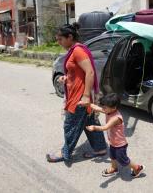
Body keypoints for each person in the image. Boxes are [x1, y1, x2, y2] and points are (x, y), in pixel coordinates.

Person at [46, 23, 107, 163]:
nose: (59, 42)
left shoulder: (78, 51)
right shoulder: (73, 50)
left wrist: (86, 96)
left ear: (70, 37)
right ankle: (100, 148)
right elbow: (77, 72)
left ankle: (65, 152)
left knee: (70, 125)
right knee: (88, 121)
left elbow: (90, 72)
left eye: (60, 39)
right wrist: (66, 77)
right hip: (76, 93)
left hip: (80, 96)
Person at [81, 93, 145, 178]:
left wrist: (94, 127)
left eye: (105, 107)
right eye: (103, 107)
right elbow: (97, 107)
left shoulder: (116, 118)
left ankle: (137, 168)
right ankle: (113, 168)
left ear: (113, 108)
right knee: (112, 156)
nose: (103, 109)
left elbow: (105, 127)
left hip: (120, 145)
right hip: (113, 142)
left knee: (123, 160)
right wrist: (87, 104)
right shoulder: (109, 110)